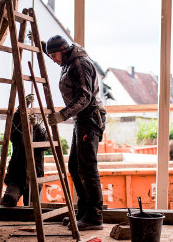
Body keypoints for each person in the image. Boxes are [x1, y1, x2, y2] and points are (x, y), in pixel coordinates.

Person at [42, 35, 107, 231]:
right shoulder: (69, 60)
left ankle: (94, 217)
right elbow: (51, 49)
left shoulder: (79, 63)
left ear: (63, 49)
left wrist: (62, 115)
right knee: (74, 167)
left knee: (87, 169)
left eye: (54, 55)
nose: (53, 59)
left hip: (90, 119)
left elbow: (85, 96)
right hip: (82, 120)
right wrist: (40, 43)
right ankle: (84, 213)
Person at [2, 94, 48, 207]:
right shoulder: (18, 133)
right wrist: (23, 106)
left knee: (32, 208)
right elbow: (14, 125)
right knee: (9, 200)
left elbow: (46, 144)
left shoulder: (38, 134)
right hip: (16, 178)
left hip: (34, 177)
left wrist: (37, 126)